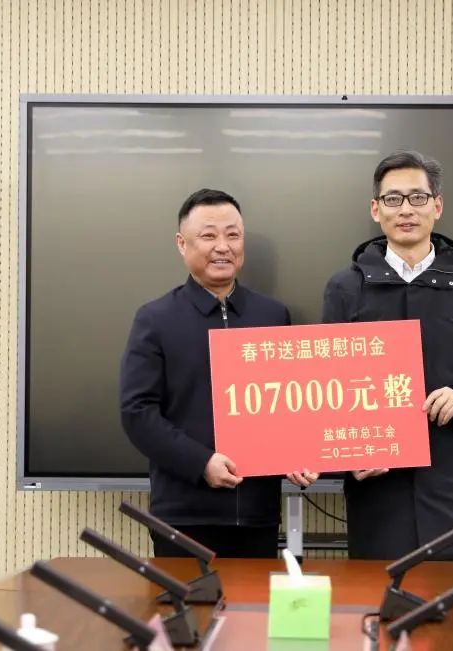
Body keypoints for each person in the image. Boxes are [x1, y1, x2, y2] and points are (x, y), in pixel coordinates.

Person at [322, 151, 453, 561]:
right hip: (379, 494)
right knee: (380, 597)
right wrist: (350, 455)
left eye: (418, 197)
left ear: (437, 206)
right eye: (393, 199)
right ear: (376, 210)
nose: (406, 210)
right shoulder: (346, 288)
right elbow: (327, 387)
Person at [120, 188, 318, 558]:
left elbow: (290, 406)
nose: (223, 247)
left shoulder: (273, 316)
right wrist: (201, 463)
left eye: (233, 235)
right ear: (182, 244)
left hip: (258, 515)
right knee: (187, 600)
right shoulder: (155, 319)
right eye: (209, 236)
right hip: (183, 517)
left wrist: (298, 453)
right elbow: (137, 413)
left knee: (252, 600)